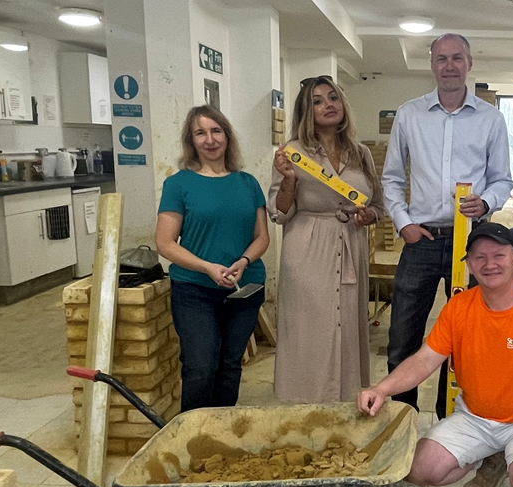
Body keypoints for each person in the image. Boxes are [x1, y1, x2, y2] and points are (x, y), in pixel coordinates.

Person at [357, 223, 513, 487]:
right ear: (469, 264)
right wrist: (381, 388)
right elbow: (424, 360)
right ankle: (491, 457)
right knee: (419, 468)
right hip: (476, 418)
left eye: (498, 255)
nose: (489, 264)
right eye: (479, 257)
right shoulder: (459, 307)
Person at [381, 33, 513, 414]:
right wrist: (403, 222)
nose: (450, 66)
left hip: (470, 244)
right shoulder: (409, 114)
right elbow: (391, 177)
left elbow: (503, 178)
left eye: (457, 58)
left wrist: (486, 201)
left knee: (467, 337)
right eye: (442, 59)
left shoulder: (490, 119)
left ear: (469, 63)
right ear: (432, 64)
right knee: (403, 337)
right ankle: (401, 420)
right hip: (420, 239)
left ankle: (452, 420)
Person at [268, 76, 385, 403]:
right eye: (317, 100)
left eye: (333, 97)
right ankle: (303, 405)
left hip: (350, 245)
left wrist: (368, 216)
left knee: (347, 328)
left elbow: (377, 204)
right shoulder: (292, 152)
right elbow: (279, 212)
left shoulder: (360, 154)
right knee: (308, 331)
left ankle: (347, 402)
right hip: (307, 249)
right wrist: (289, 181)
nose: (328, 105)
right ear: (306, 110)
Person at [154, 105, 271, 411]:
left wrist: (243, 261)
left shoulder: (248, 184)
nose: (210, 139)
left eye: (216, 130)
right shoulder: (178, 184)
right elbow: (165, 243)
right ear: (191, 141)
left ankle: (221, 432)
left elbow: (262, 238)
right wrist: (206, 267)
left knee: (230, 365)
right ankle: (192, 437)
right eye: (200, 133)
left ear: (227, 136)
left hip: (244, 289)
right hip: (194, 290)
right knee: (200, 366)